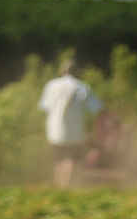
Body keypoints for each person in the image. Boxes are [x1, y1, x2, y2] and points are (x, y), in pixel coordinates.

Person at [39, 59, 102, 189]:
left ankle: (58, 186)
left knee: (59, 160)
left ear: (62, 71)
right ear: (77, 72)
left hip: (54, 130)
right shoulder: (81, 87)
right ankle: (66, 188)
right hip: (74, 131)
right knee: (71, 159)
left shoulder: (51, 85)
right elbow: (97, 108)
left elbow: (45, 108)